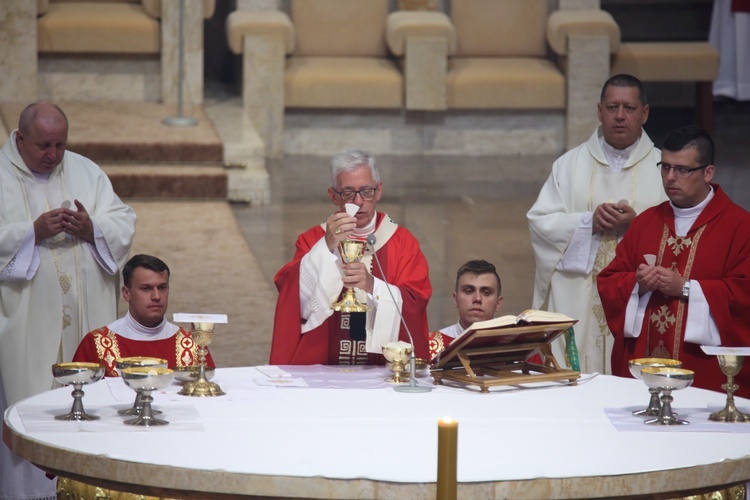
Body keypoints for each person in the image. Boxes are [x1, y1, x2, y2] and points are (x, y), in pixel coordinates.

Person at [0, 103, 136, 499]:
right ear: (20, 138)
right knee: (27, 411)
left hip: (83, 322)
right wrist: (30, 233)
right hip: (24, 330)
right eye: (44, 145)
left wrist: (94, 229)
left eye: (60, 144)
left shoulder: (85, 171)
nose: (53, 155)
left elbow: (123, 219)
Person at [527, 74, 668, 375]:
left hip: (636, 294)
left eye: (629, 108)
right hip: (577, 293)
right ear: (599, 111)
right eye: (612, 107)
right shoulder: (570, 164)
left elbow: (680, 231)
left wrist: (636, 225)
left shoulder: (664, 168)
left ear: (644, 113)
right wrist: (586, 223)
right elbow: (540, 223)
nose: (620, 116)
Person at [598, 125, 750, 398]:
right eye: (665, 167)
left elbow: (744, 294)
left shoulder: (740, 227)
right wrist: (638, 283)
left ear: (708, 172)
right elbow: (610, 280)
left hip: (705, 375)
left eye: (682, 169)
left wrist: (688, 288)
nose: (670, 177)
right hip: (644, 373)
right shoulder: (646, 222)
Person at [270, 149, 431, 365]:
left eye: (366, 191)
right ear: (333, 196)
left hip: (383, 365)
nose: (359, 202)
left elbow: (416, 301)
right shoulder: (314, 240)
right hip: (324, 361)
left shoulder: (402, 243)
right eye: (347, 193)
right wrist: (326, 248)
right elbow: (292, 296)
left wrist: (373, 285)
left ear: (379, 190)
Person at [72, 254, 214, 375]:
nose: (157, 296)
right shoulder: (96, 343)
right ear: (126, 293)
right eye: (146, 288)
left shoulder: (191, 344)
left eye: (162, 288)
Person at [428, 260, 503, 359]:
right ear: (455, 299)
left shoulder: (520, 345)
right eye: (469, 291)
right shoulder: (430, 346)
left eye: (486, 292)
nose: (477, 299)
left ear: (498, 303)